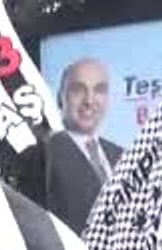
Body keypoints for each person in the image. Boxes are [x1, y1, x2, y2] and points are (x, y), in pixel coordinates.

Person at [45, 58, 124, 234]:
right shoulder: (41, 155)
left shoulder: (122, 156)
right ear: (60, 98)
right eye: (78, 90)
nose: (89, 101)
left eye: (99, 90)